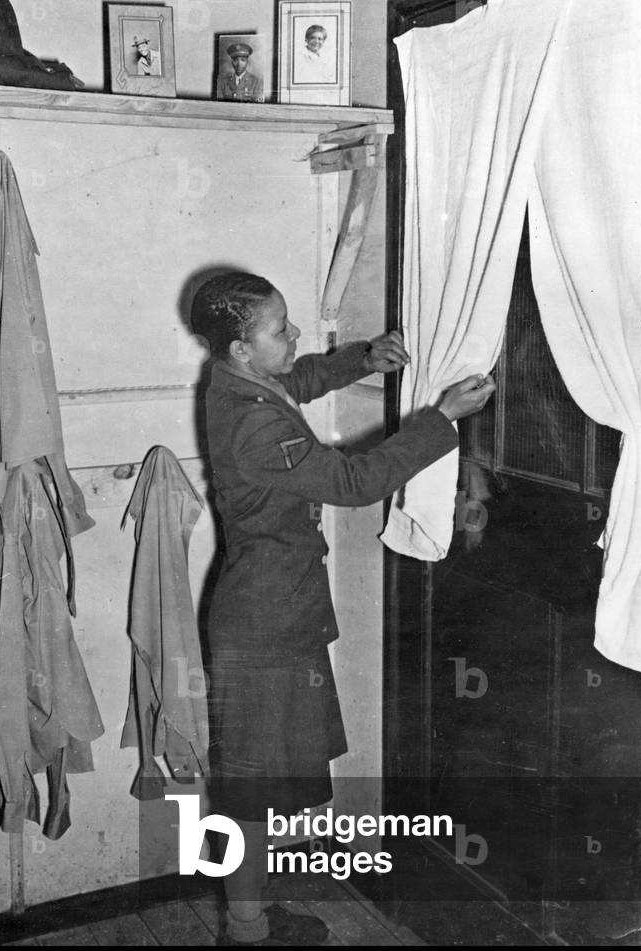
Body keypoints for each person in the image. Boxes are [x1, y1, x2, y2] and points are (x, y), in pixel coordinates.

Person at [190, 271, 495, 946]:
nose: (293, 334)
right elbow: (355, 483)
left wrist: (361, 360)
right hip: (263, 624)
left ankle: (252, 916)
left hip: (272, 612)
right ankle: (244, 928)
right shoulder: (252, 423)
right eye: (279, 329)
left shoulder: (234, 381)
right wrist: (439, 418)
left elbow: (290, 383)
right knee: (249, 791)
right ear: (242, 348)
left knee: (260, 783)